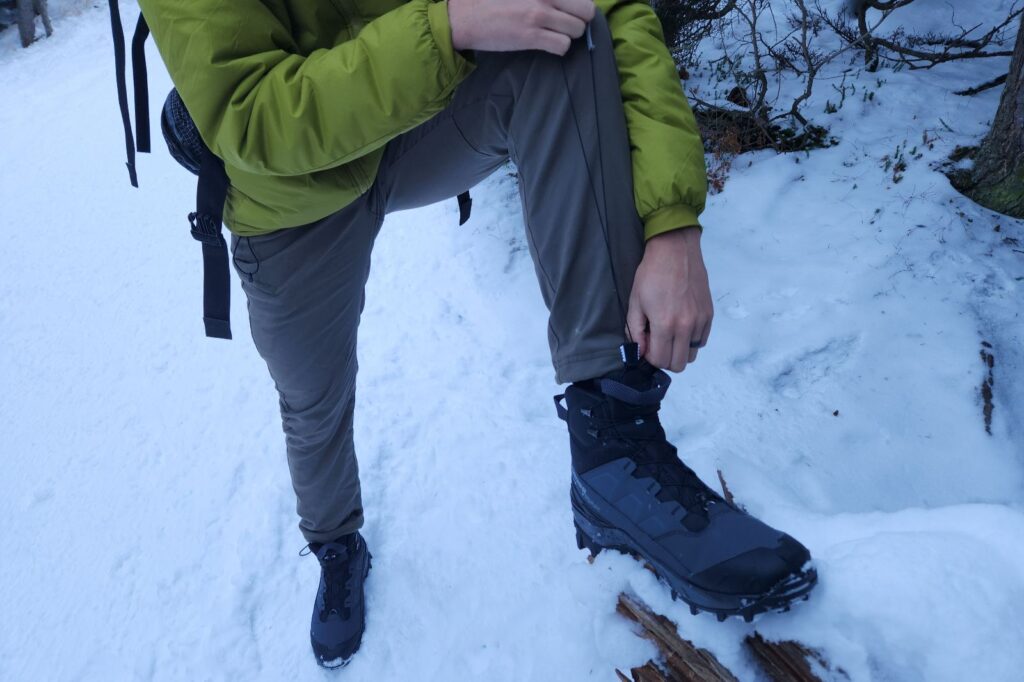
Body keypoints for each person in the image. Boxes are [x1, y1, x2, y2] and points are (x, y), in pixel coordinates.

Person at [139, 0, 817, 668]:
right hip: (284, 198)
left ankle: (614, 444)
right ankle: (336, 544)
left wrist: (672, 222)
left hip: (412, 121)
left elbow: (610, 10)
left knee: (559, 39)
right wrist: (454, 25)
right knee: (313, 400)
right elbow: (253, 114)